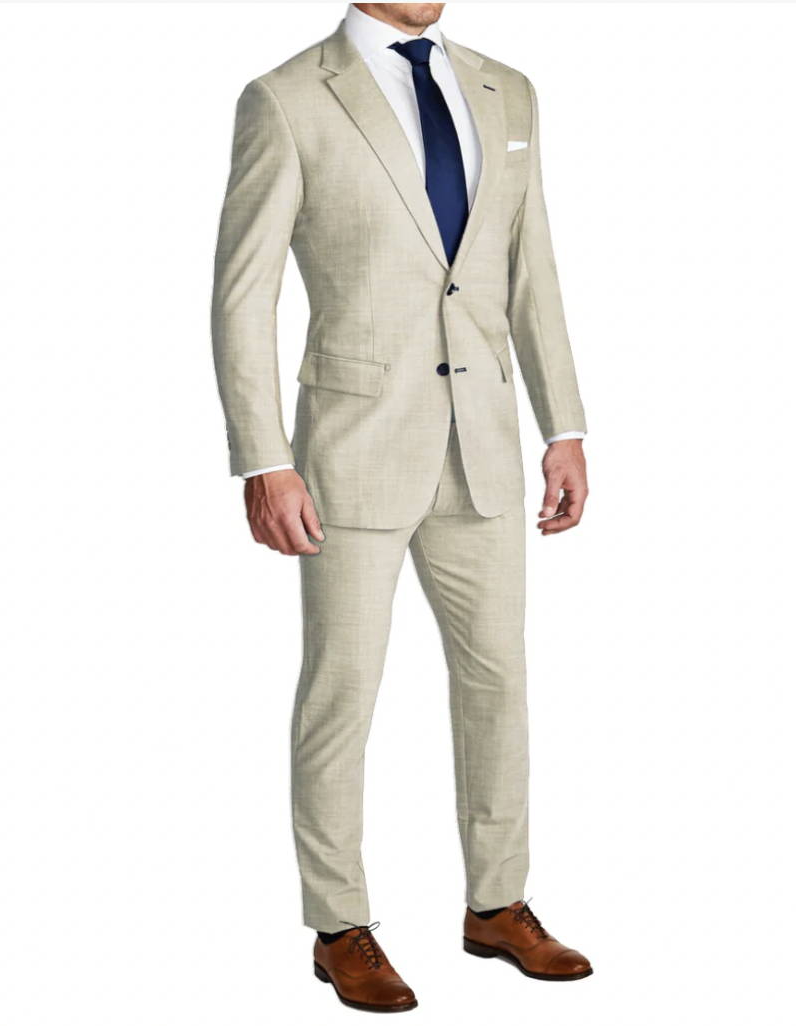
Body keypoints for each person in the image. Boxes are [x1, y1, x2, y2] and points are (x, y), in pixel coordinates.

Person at [212, 3, 592, 1011]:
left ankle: (497, 904)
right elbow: (244, 294)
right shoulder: (287, 99)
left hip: (485, 441)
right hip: (350, 448)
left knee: (498, 680)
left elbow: (530, 266)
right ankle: (340, 924)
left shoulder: (508, 89)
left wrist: (564, 424)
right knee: (343, 689)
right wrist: (265, 458)